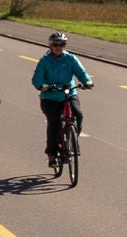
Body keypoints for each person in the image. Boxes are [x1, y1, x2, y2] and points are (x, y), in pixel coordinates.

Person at [31, 31, 93, 167]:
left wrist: (87, 81)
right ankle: (52, 154)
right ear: (50, 46)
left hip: (68, 93)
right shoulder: (44, 61)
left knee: (78, 114)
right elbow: (37, 79)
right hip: (50, 96)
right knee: (54, 123)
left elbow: (81, 72)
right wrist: (43, 86)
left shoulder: (70, 58)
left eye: (62, 44)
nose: (59, 47)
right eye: (55, 44)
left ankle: (72, 141)